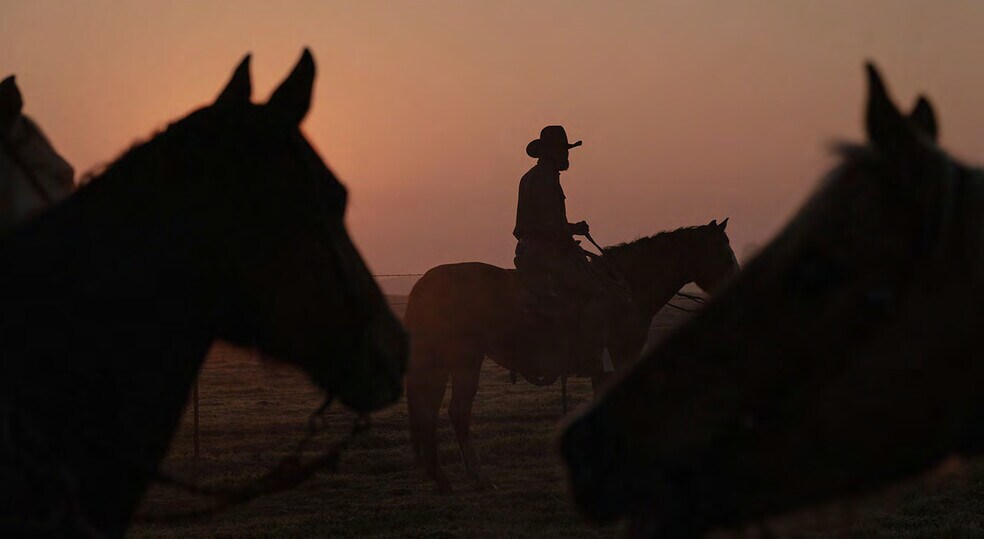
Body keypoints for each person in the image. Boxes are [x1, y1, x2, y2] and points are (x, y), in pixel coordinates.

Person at [513, 125, 618, 375]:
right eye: (563, 150)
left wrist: (570, 229)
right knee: (597, 293)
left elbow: (544, 221)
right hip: (545, 252)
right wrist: (573, 230)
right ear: (551, 152)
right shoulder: (546, 179)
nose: (566, 155)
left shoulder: (531, 176)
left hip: (531, 249)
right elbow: (550, 224)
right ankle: (587, 356)